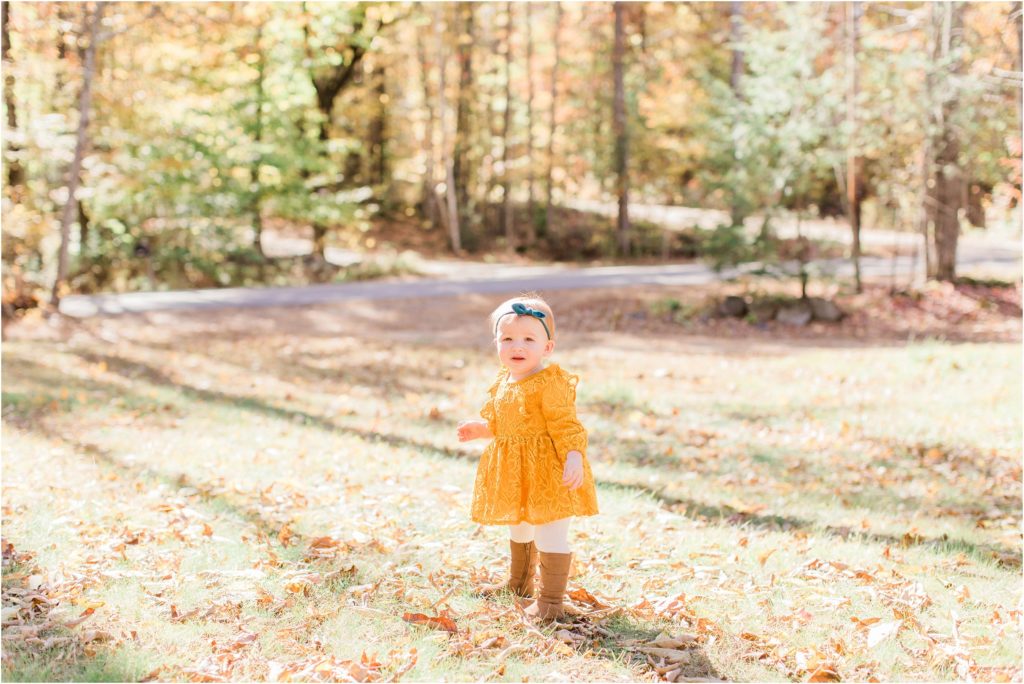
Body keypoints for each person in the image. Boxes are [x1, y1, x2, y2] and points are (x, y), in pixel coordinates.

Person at [457, 293, 599, 621]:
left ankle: (550, 603)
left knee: (549, 532)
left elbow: (566, 425)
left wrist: (574, 456)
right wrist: (481, 429)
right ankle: (519, 583)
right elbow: (504, 424)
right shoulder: (503, 383)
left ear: (547, 348)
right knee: (519, 526)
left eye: (528, 339)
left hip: (551, 472)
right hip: (516, 473)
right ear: (496, 343)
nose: (517, 346)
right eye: (508, 338)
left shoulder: (550, 383)